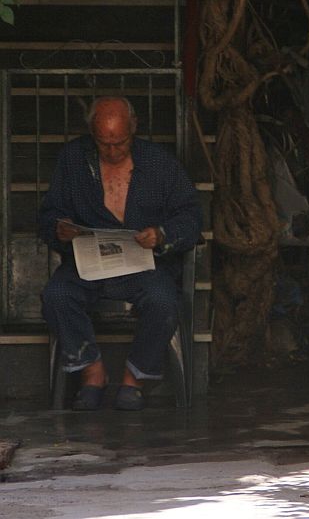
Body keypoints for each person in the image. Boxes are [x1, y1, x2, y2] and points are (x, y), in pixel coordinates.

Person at [39, 96, 202, 411]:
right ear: (92, 135)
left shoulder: (159, 163)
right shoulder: (73, 159)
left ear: (134, 129)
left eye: (121, 143)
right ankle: (92, 372)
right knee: (56, 295)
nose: (113, 151)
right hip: (87, 265)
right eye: (104, 144)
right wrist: (61, 228)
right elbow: (48, 215)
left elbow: (191, 216)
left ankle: (133, 379)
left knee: (164, 301)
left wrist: (162, 235)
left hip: (144, 267)